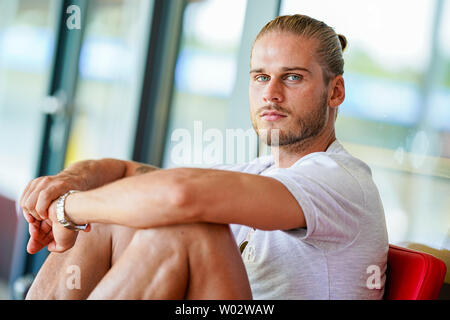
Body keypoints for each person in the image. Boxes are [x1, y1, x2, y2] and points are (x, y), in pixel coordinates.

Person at [20, 14, 388, 300]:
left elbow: (182, 196)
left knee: (189, 228)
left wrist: (68, 210)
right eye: (260, 77)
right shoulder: (262, 172)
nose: (271, 93)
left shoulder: (339, 179)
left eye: (292, 78)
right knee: (111, 211)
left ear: (335, 91)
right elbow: (126, 175)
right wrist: (70, 183)